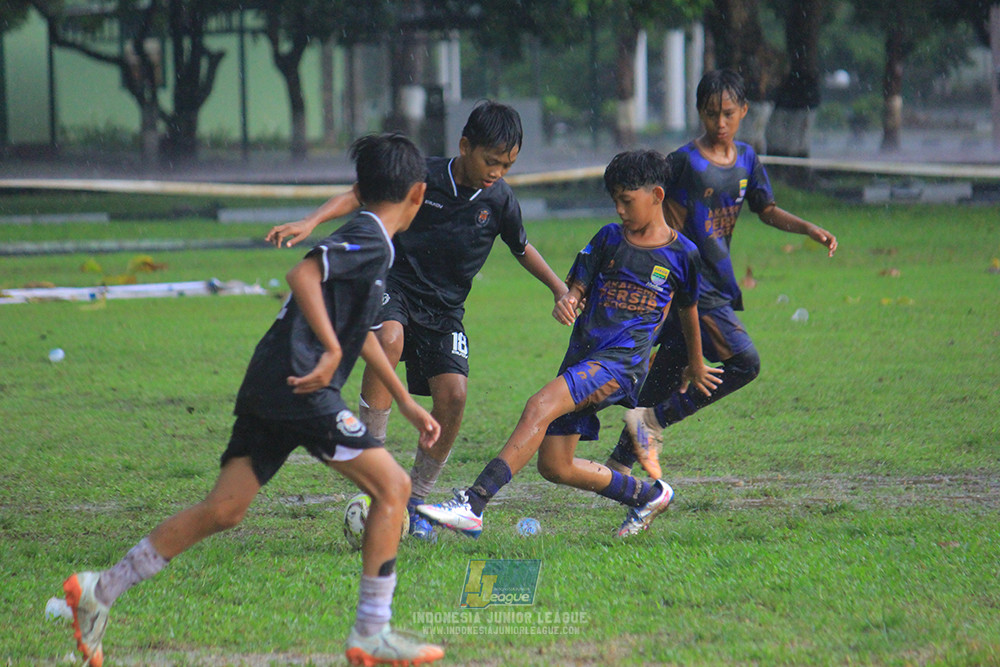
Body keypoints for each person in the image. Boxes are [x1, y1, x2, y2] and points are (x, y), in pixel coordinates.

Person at [57, 134, 446, 667]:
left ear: (361, 188)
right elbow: (303, 275)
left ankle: (99, 590)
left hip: (271, 379)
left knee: (225, 509)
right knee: (395, 486)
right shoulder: (372, 239)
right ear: (418, 194)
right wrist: (330, 350)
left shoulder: (372, 237)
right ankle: (371, 632)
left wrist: (401, 399)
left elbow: (357, 331)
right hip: (301, 382)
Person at [267, 101, 567, 544]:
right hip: (396, 287)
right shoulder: (421, 175)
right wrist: (312, 220)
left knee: (455, 394)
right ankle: (372, 475)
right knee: (388, 337)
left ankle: (417, 503)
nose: (497, 172)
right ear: (464, 146)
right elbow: (361, 194)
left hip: (444, 311)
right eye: (490, 161)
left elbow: (521, 248)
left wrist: (559, 289)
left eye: (507, 165)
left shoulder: (500, 199)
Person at [416, 149, 722, 539]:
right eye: (615, 200)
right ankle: (648, 496)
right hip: (584, 357)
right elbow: (578, 284)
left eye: (627, 201)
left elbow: (688, 311)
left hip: (621, 365)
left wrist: (695, 365)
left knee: (538, 406)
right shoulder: (610, 238)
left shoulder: (684, 255)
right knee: (556, 465)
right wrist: (569, 299)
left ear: (657, 196)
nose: (620, 209)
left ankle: (473, 503)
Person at [605, 69, 838, 481]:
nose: (720, 122)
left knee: (665, 371)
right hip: (693, 281)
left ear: (744, 111)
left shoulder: (747, 158)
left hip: (716, 279)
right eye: (711, 113)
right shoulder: (683, 161)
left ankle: (618, 467)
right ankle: (653, 422)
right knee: (745, 362)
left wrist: (807, 228)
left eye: (728, 113)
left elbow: (765, 209)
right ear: (699, 112)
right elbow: (648, 200)